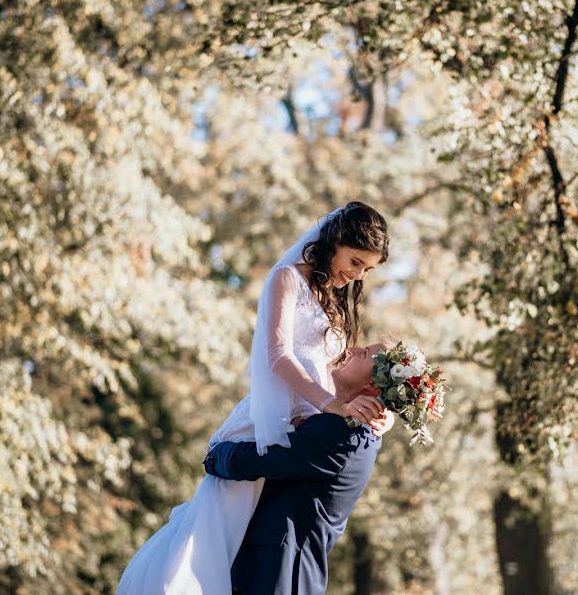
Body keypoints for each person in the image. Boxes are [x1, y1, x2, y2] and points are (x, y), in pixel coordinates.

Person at [117, 203, 391, 594]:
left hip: (303, 432)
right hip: (268, 422)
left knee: (248, 544)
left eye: (367, 269)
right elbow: (279, 356)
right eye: (356, 260)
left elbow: (342, 371)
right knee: (215, 534)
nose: (358, 274)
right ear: (335, 241)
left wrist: (386, 413)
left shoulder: (333, 305)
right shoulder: (286, 279)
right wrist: (328, 405)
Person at [204, 343, 388, 595]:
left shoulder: (345, 433)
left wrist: (218, 455)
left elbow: (265, 460)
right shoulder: (349, 428)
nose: (353, 349)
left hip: (277, 576)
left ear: (373, 387)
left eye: (364, 354)